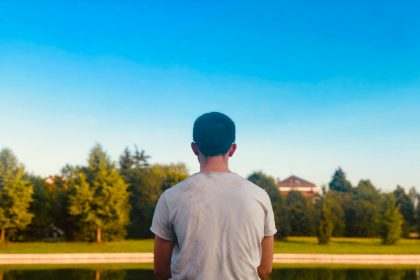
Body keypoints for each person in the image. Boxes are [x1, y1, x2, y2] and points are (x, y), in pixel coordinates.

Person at [151, 112, 277, 280]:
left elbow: (161, 270)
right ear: (232, 149)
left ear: (194, 148)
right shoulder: (259, 196)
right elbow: (265, 269)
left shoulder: (170, 197)